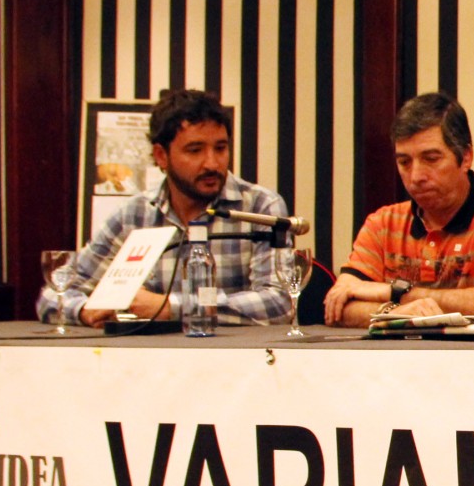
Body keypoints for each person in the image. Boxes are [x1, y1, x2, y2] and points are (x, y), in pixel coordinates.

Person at [37, 88, 291, 327]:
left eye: (221, 148)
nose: (212, 163)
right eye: (195, 150)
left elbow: (280, 302)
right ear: (161, 156)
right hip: (147, 365)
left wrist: (173, 307)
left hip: (238, 364)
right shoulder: (134, 215)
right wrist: (83, 311)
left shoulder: (260, 207)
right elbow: (54, 293)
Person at [322, 91, 474, 327]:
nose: (416, 176)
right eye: (404, 162)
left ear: (465, 157)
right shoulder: (382, 223)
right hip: (397, 362)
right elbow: (339, 309)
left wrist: (392, 291)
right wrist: (397, 311)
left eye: (431, 159)